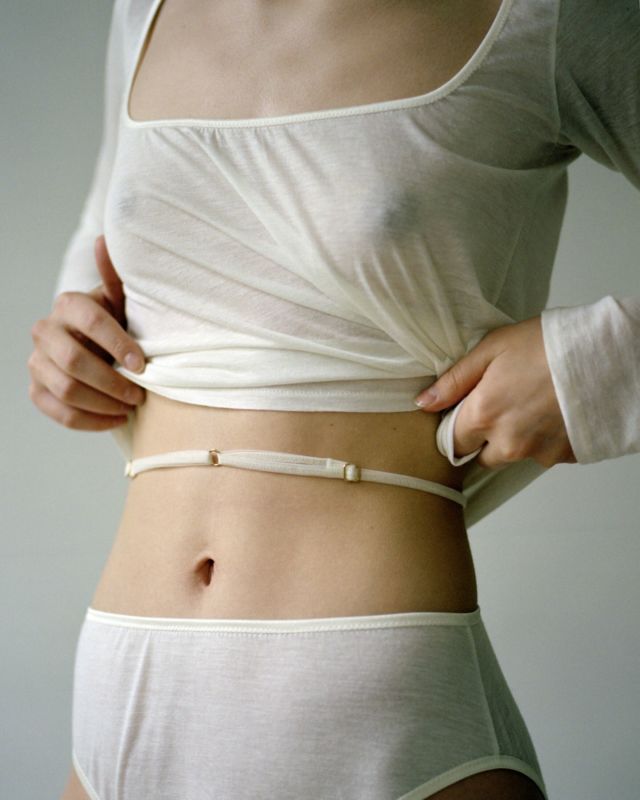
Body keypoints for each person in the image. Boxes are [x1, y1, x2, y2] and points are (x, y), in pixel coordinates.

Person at [28, 1, 639, 798]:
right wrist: (69, 340)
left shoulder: (545, 16)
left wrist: (601, 362)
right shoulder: (143, 13)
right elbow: (107, 234)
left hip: (377, 716)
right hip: (121, 694)